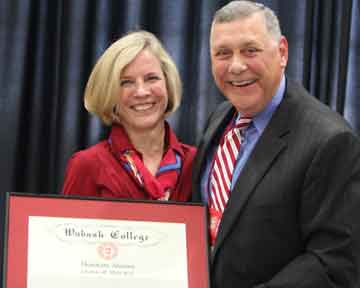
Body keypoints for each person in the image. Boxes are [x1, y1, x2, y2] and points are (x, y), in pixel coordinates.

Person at [192, 1, 360, 288]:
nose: (236, 65)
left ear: (281, 52)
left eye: (250, 50)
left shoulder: (330, 140)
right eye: (222, 53)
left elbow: (334, 263)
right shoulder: (219, 118)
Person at [62, 30, 196, 202]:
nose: (141, 92)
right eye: (126, 82)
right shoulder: (87, 165)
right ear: (109, 93)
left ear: (168, 85)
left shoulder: (197, 163)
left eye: (151, 78)